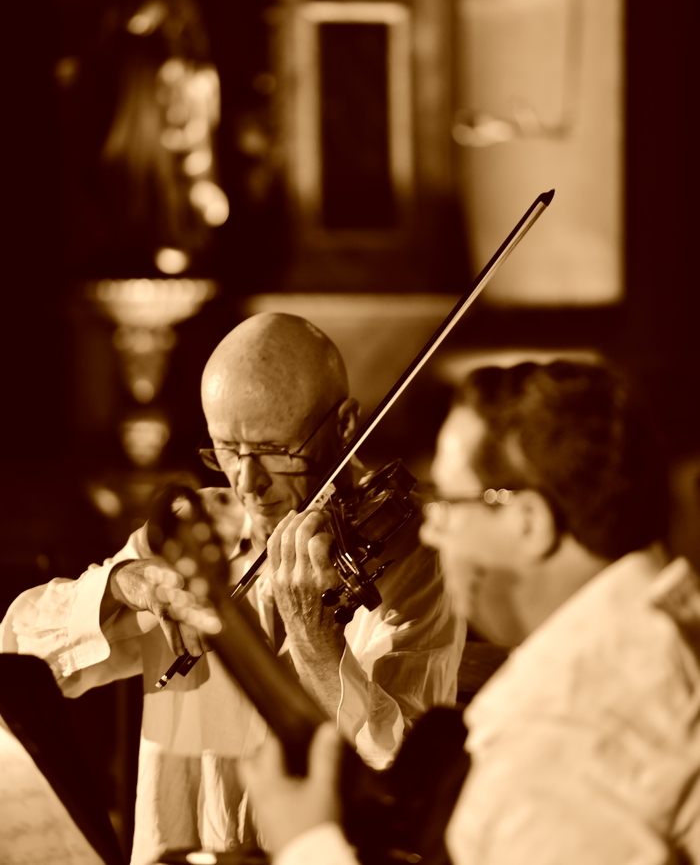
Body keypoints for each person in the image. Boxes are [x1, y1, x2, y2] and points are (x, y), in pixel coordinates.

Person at [0, 313, 463, 865]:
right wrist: (121, 584)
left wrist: (317, 644)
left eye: (273, 451)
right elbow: (19, 654)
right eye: (225, 449)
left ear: (345, 424)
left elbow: (404, 776)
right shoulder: (197, 530)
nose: (247, 484)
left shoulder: (418, 557)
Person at [241, 359, 700, 865]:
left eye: (449, 503)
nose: (431, 530)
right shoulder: (672, 626)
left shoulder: (555, 735)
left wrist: (309, 845)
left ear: (528, 522)